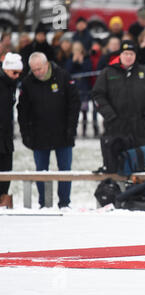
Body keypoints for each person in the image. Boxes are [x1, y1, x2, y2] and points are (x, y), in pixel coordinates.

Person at [17, 52, 81, 209]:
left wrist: (71, 129)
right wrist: (26, 134)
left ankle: (64, 203)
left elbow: (74, 104)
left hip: (63, 133)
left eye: (39, 68)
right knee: (41, 171)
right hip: (39, 135)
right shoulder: (27, 82)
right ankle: (44, 203)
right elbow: (22, 111)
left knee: (65, 170)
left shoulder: (63, 76)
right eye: (34, 70)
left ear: (46, 64)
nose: (37, 72)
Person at [92, 40, 145, 171]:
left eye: (131, 53)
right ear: (120, 55)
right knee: (115, 168)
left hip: (139, 130)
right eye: (125, 53)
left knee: (138, 168)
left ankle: (136, 191)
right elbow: (98, 95)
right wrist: (110, 116)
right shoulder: (108, 73)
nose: (128, 57)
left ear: (135, 56)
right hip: (115, 129)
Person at [0, 53, 23, 209]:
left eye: (19, 73)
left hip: (6, 136)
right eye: (14, 72)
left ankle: (3, 200)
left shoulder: (10, 84)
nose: (17, 76)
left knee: (7, 171)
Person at [65, 41, 93, 137]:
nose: (77, 51)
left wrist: (81, 62)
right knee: (73, 111)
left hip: (84, 89)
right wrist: (73, 61)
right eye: (75, 49)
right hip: (73, 89)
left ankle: (84, 131)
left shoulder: (86, 59)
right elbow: (67, 72)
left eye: (78, 49)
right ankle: (74, 130)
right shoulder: (69, 59)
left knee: (84, 111)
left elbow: (89, 71)